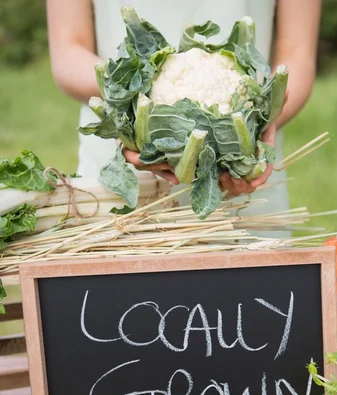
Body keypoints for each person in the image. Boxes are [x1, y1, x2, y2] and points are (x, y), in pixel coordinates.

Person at [47, 0, 321, 233]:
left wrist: (260, 125)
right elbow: (68, 50)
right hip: (119, 194)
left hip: (246, 198)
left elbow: (297, 52)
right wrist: (129, 112)